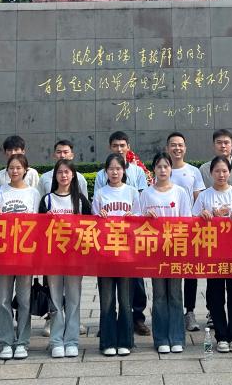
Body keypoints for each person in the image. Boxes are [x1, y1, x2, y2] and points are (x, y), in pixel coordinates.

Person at [192, 155, 232, 352]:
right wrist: (203, 216)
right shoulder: (204, 196)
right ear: (211, 173)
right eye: (217, 171)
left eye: (224, 171)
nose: (221, 174)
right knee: (215, 295)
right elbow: (192, 221)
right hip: (213, 253)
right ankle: (221, 337)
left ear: (229, 173)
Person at [94, 131, 150, 336]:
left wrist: (133, 218)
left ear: (128, 147)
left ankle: (137, 319)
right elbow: (96, 211)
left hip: (130, 239)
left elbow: (141, 202)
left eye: (122, 145)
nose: (119, 149)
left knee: (136, 282)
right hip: (109, 241)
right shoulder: (101, 178)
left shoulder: (138, 172)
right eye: (115, 145)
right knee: (109, 285)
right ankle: (108, 323)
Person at [0, 153, 41, 360]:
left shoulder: (33, 193)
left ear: (26, 170)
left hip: (25, 254)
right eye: (11, 167)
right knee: (3, 300)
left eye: (19, 167)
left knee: (24, 299)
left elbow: (38, 224)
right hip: (3, 253)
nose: (15, 171)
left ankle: (23, 341)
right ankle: (6, 341)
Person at [139, 152, 192, 353]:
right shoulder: (146, 194)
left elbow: (187, 221)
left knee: (175, 294)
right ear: (154, 169)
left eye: (166, 166)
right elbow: (136, 220)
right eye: (159, 166)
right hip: (155, 252)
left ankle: (177, 337)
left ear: (171, 169)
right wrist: (145, 216)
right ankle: (161, 338)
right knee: (159, 294)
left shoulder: (180, 192)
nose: (162, 170)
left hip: (175, 250)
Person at [40, 158, 91, 358]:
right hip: (52, 257)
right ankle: (56, 341)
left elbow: (91, 227)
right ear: (55, 176)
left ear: (73, 175)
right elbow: (37, 230)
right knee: (54, 300)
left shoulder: (80, 200)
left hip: (74, 258)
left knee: (73, 299)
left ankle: (71, 340)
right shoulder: (47, 200)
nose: (63, 175)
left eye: (67, 172)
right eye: (60, 172)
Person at [92, 152, 141, 356]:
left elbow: (140, 220)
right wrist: (99, 217)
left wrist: (132, 217)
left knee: (126, 301)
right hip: (105, 254)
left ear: (124, 170)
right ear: (106, 171)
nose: (114, 172)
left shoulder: (132, 192)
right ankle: (108, 342)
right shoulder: (100, 194)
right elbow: (92, 223)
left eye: (118, 168)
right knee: (107, 301)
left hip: (127, 254)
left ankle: (126, 342)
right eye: (111, 169)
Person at [166, 132, 204, 331]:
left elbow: (198, 199)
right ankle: (171, 311)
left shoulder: (193, 171)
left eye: (180, 145)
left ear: (185, 148)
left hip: (189, 229)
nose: (177, 148)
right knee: (169, 271)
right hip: (166, 232)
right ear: (167, 148)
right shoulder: (162, 169)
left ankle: (189, 311)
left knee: (190, 272)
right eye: (173, 145)